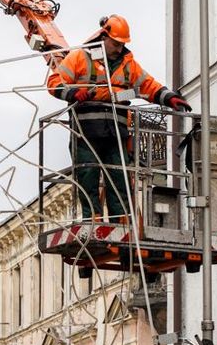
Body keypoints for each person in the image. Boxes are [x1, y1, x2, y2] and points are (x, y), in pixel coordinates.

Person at [47, 14, 191, 222]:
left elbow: (148, 86)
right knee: (87, 175)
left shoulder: (128, 64)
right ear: (104, 36)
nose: (119, 48)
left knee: (119, 177)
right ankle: (92, 219)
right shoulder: (80, 57)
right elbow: (54, 82)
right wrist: (72, 93)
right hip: (86, 132)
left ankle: (120, 220)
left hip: (116, 132)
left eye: (122, 44)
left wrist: (170, 98)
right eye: (115, 43)